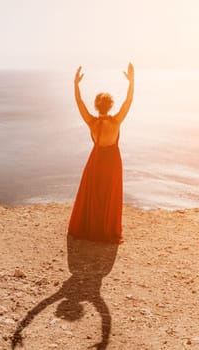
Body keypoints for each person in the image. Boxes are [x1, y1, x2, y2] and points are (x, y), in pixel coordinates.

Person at [68, 63, 134, 244]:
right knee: (109, 195)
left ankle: (90, 227)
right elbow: (128, 102)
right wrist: (131, 82)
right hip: (112, 160)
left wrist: (76, 84)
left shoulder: (92, 122)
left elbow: (79, 103)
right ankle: (106, 228)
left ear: (97, 106)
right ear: (111, 105)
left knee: (94, 195)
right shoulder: (116, 121)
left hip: (96, 160)